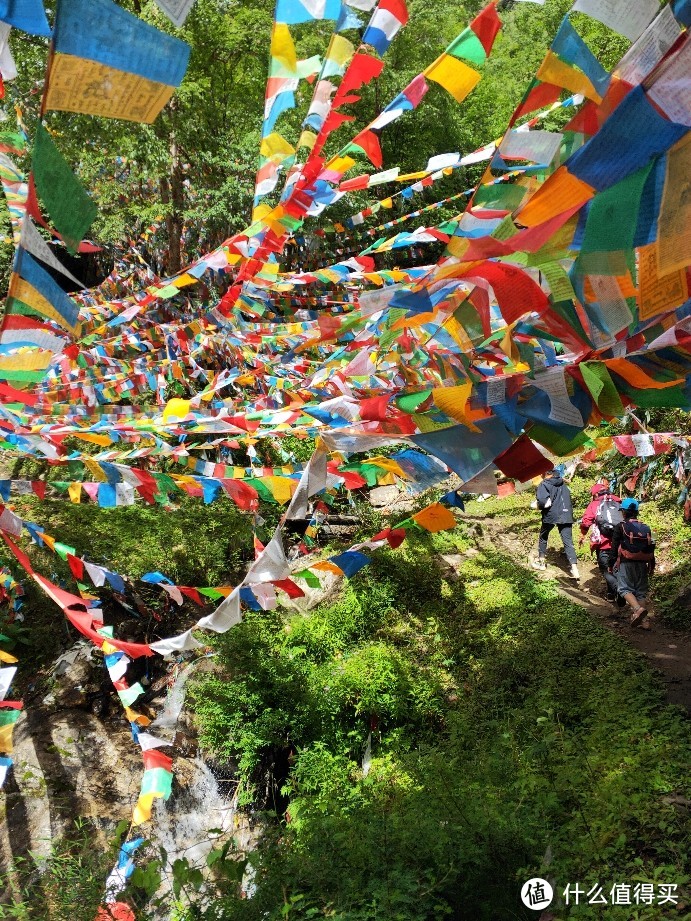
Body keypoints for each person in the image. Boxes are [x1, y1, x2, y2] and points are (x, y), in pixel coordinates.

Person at [610, 498, 655, 628]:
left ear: (623, 512)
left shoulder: (621, 526)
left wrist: (609, 564)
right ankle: (645, 622)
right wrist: (652, 566)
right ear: (636, 512)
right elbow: (651, 547)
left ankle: (637, 609)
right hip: (642, 563)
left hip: (626, 562)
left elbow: (614, 548)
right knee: (640, 591)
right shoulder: (645, 527)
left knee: (624, 589)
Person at [579, 483, 625, 605]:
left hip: (603, 544)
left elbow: (586, 522)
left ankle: (621, 592)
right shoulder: (619, 501)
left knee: (606, 570)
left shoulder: (595, 504)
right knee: (617, 568)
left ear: (596, 494)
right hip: (620, 543)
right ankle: (611, 594)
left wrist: (582, 534)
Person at [532, 468, 580, 579]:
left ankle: (541, 562)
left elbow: (543, 501)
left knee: (543, 536)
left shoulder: (544, 484)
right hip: (566, 514)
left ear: (545, 473)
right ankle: (575, 569)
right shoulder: (562, 483)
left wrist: (537, 505)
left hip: (551, 514)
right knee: (568, 541)